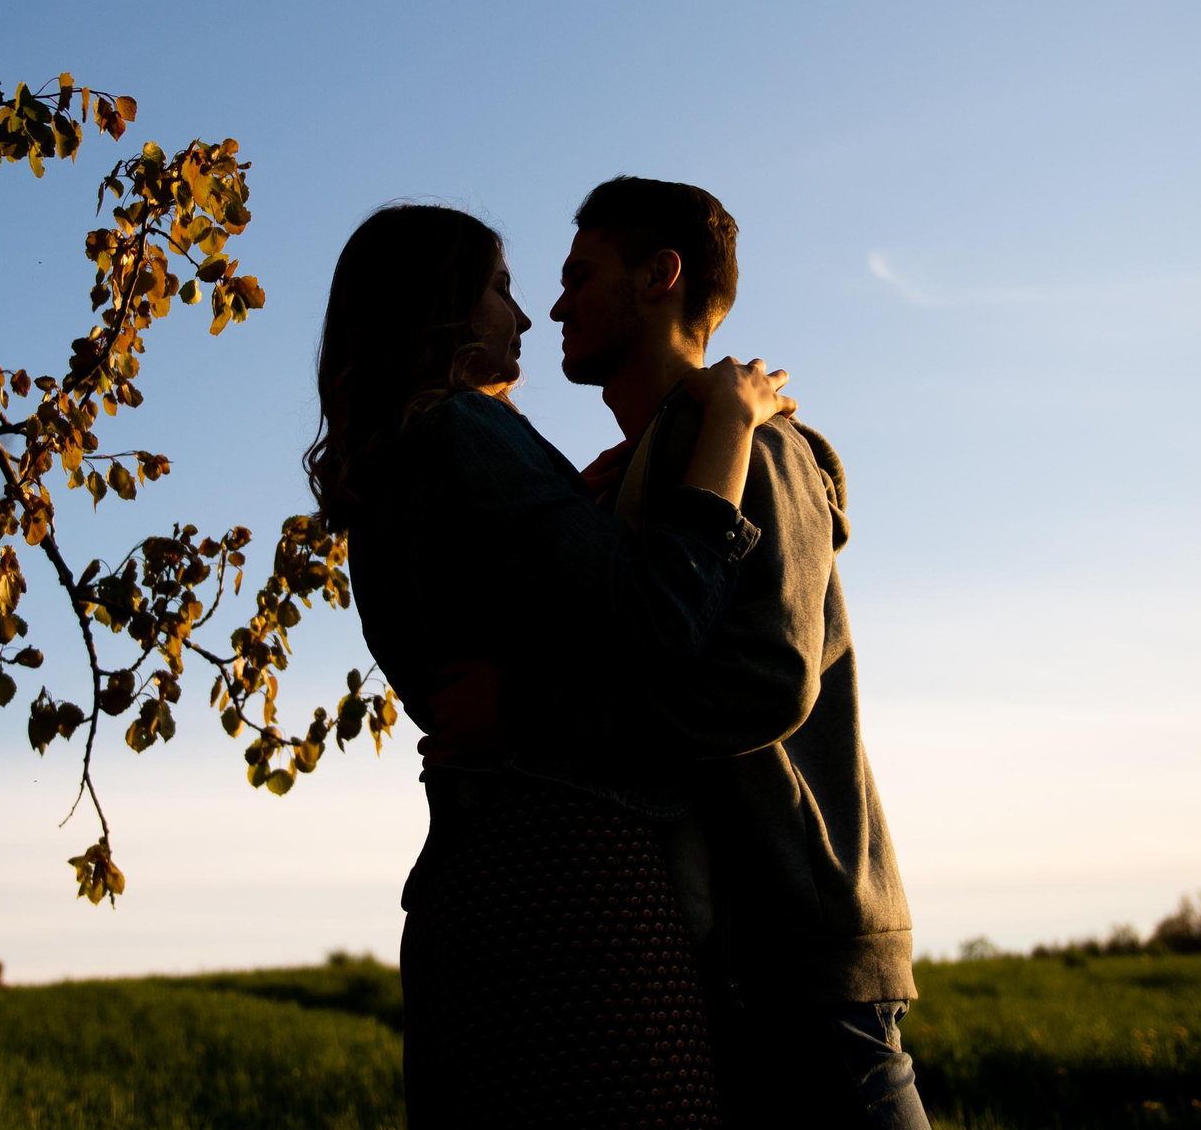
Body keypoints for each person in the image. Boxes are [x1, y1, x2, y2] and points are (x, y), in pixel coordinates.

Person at [304, 203, 797, 1130]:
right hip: (575, 892)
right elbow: (664, 618)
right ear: (443, 306)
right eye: (499, 289)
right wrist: (730, 424)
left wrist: (584, 505)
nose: (525, 319)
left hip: (464, 889)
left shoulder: (381, 485)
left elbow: (527, 607)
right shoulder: (464, 434)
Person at [553, 177, 929, 1130]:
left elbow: (767, 681)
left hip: (804, 953)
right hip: (722, 957)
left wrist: (569, 726)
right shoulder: (652, 466)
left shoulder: (759, 450)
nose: (555, 305)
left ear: (659, 277)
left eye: (579, 275)